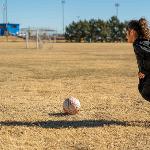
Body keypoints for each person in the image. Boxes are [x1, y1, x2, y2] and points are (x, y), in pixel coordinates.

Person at [126, 18, 150, 102]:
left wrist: (145, 72)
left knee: (145, 92)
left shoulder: (139, 44)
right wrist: (143, 71)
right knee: (142, 88)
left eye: (127, 32)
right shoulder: (141, 42)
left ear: (132, 32)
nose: (126, 35)